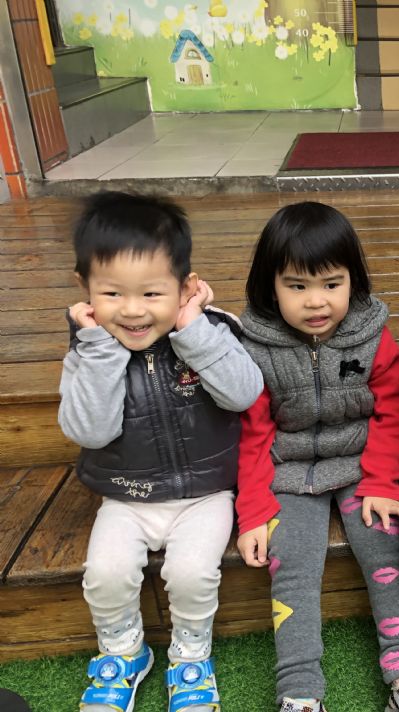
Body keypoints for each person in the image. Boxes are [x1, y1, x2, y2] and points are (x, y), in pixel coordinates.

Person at [235, 202, 399, 712]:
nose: (316, 301)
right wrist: (254, 511)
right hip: (289, 475)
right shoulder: (255, 347)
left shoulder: (371, 336)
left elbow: (393, 413)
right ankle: (299, 692)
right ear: (270, 286)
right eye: (297, 285)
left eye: (331, 284)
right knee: (292, 566)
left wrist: (382, 482)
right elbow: (251, 433)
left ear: (353, 280)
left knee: (385, 547)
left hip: (360, 466)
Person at [59, 191, 263, 712]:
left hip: (206, 494)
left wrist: (193, 331)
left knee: (192, 573)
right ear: (85, 290)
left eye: (152, 293)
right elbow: (89, 431)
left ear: (186, 287)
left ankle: (190, 656)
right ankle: (123, 653)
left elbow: (243, 393)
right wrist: (99, 351)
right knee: (105, 574)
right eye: (112, 293)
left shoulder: (212, 333)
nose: (132, 310)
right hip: (125, 496)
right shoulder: (90, 352)